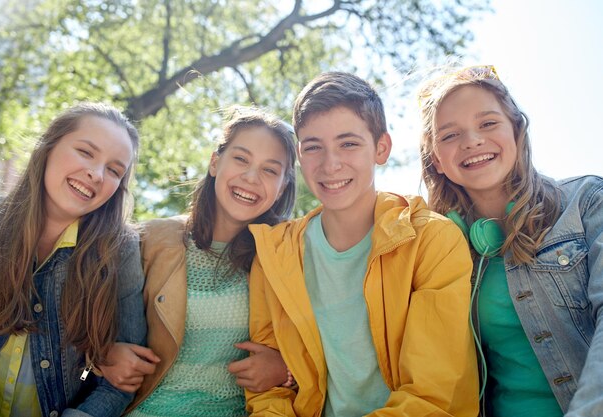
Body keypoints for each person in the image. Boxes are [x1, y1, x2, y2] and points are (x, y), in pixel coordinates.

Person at [245, 72, 479, 417]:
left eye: (349, 143)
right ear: (299, 154)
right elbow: (268, 390)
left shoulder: (432, 240)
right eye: (313, 147)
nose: (330, 164)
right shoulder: (275, 254)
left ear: (381, 148)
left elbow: (432, 394)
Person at [418, 65, 603, 417]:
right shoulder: (440, 249)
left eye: (488, 123)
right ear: (436, 160)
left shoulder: (588, 200)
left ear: (517, 132)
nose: (472, 141)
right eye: (450, 135)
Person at [99, 106, 297, 417]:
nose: (250, 177)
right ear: (215, 162)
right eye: (241, 159)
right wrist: (103, 356)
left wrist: (287, 371)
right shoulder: (150, 240)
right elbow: (80, 325)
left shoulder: (288, 258)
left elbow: (326, 352)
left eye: (270, 170)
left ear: (282, 185)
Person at [0, 102, 145, 417]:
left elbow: (123, 380)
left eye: (113, 170)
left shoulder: (120, 251)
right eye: (86, 152)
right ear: (49, 147)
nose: (96, 174)